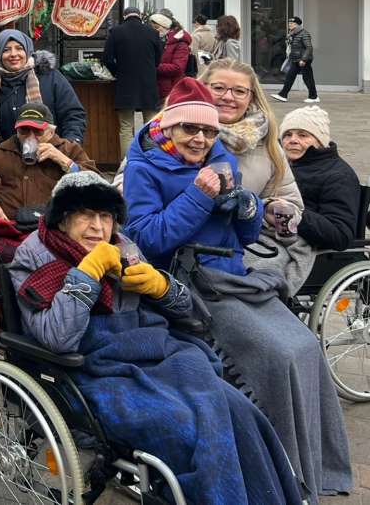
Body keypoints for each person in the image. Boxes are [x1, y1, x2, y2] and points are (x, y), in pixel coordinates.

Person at [9, 173, 304, 505]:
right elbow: (57, 338)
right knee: (190, 430)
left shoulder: (125, 247)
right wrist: (87, 273)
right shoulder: (33, 257)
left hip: (160, 357)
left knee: (244, 414)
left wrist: (161, 287)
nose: (97, 227)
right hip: (94, 371)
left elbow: (189, 313)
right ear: (63, 221)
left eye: (105, 217)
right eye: (86, 215)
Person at [122, 77, 352, 498]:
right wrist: (197, 195)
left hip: (233, 277)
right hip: (188, 285)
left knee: (305, 347)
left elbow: (244, 236)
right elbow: (148, 239)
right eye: (190, 129)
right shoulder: (143, 165)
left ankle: (319, 466)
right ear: (169, 126)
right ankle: (282, 473)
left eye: (209, 131)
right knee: (279, 356)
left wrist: (249, 208)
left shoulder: (221, 156)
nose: (201, 138)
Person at [199, 59, 313, 295]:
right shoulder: (174, 129)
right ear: (203, 87)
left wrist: (268, 209)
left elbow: (291, 202)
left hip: (235, 248)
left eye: (239, 91)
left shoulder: (267, 145)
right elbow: (126, 187)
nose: (228, 97)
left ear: (250, 97)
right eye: (218, 88)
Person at [0, 103, 99, 258]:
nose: (30, 137)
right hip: (10, 232)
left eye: (37, 131)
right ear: (16, 130)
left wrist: (64, 161)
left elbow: (98, 185)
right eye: (24, 130)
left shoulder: (69, 150)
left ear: (51, 131)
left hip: (55, 230)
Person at [0, 28, 85, 146]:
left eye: (19, 48)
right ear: (0, 54)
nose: (13, 54)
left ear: (27, 50)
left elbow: (73, 114)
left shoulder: (50, 77)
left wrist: (69, 145)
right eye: (6, 50)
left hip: (49, 154)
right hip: (5, 158)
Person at [280, 106, 360, 252]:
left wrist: (291, 211)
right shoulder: (281, 165)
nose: (293, 140)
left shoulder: (338, 176)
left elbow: (340, 236)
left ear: (320, 141)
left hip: (308, 249)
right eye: (287, 135)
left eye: (303, 135)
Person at [102, 7, 162, 157]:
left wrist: (118, 72)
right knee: (150, 127)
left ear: (124, 16)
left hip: (125, 84)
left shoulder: (116, 32)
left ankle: (127, 163)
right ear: (140, 16)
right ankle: (151, 160)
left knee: (126, 127)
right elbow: (159, 59)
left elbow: (107, 59)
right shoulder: (152, 32)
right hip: (148, 85)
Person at [274, 16, 318, 103]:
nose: (289, 25)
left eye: (292, 23)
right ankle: (283, 95)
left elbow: (309, 48)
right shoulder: (292, 34)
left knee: (308, 78)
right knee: (290, 77)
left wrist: (304, 59)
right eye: (289, 23)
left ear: (298, 25)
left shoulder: (304, 34)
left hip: (303, 60)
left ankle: (313, 96)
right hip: (295, 59)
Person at [149, 12, 192, 99]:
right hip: (159, 88)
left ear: (166, 27)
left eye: (157, 27)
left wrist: (153, 67)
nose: (154, 31)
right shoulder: (162, 41)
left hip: (170, 89)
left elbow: (178, 68)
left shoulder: (181, 43)